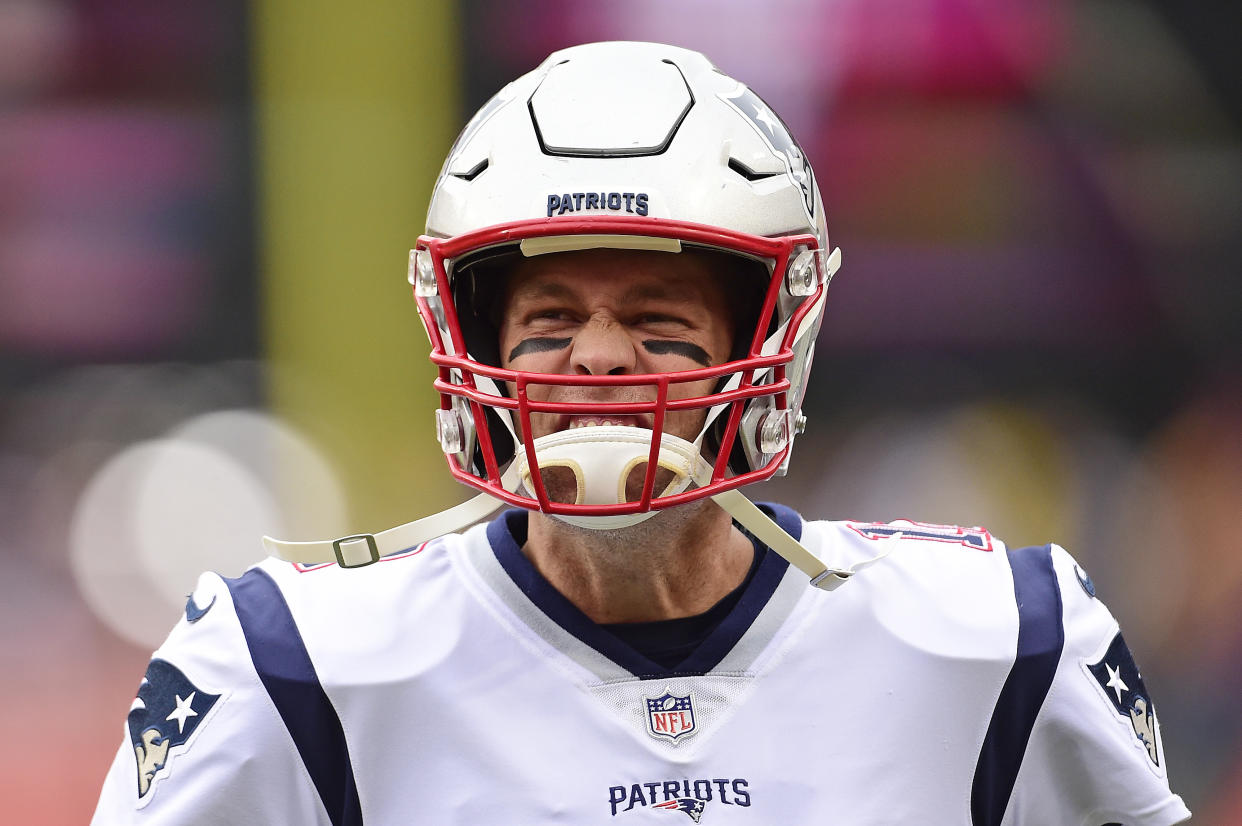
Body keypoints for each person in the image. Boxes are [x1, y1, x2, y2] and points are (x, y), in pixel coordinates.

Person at [93, 41, 1190, 825]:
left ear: (771, 338)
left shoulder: (994, 642)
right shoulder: (290, 666)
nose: (601, 359)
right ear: (472, 340)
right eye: (551, 319)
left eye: (659, 322)